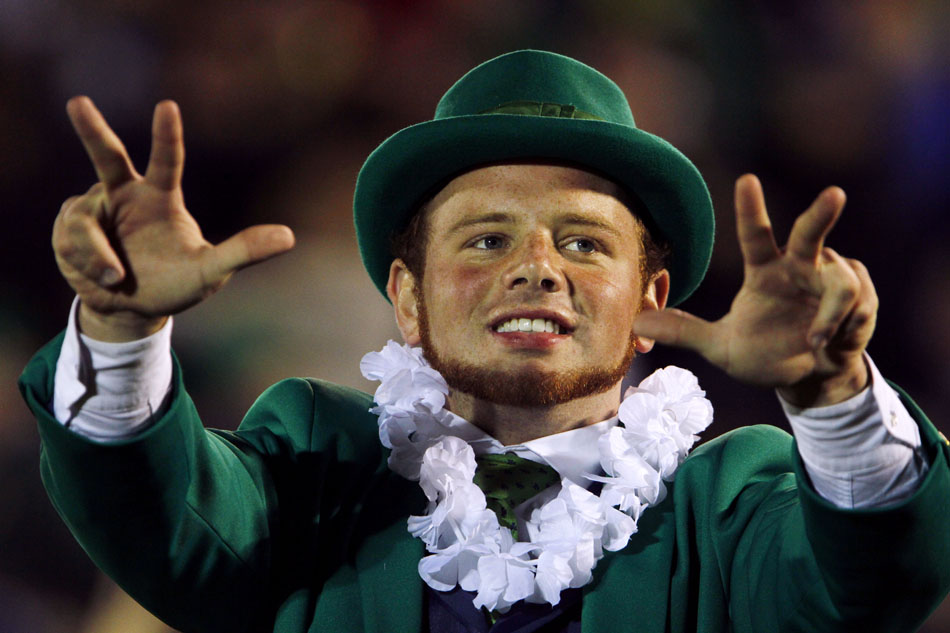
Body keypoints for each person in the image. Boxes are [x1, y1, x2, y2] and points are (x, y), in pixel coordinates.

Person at [19, 50, 950, 633]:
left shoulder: (736, 502)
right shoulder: (309, 469)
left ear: (649, 301)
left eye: (584, 242)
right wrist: (120, 326)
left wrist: (834, 390)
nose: (538, 268)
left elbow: (880, 579)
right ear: (408, 298)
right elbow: (153, 516)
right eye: (487, 238)